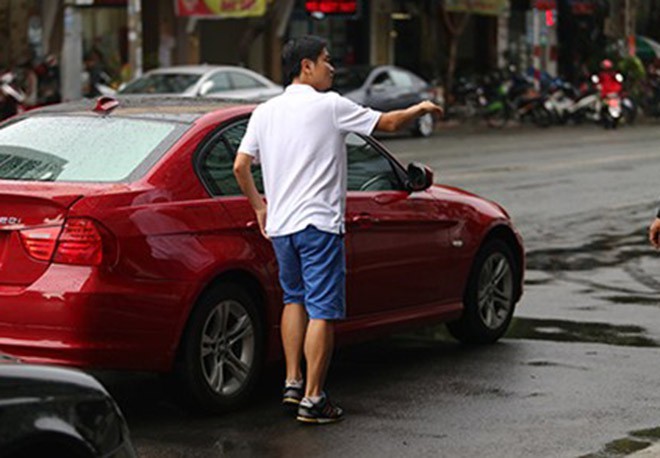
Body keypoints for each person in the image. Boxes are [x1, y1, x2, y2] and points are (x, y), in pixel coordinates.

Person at [233, 35, 442, 425]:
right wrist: (420, 107)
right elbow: (389, 123)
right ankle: (314, 399)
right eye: (327, 61)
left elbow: (240, 166)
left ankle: (293, 382)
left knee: (293, 300)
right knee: (322, 311)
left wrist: (261, 208)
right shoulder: (329, 106)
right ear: (306, 67)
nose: (333, 68)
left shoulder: (265, 111)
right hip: (319, 225)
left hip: (282, 226)